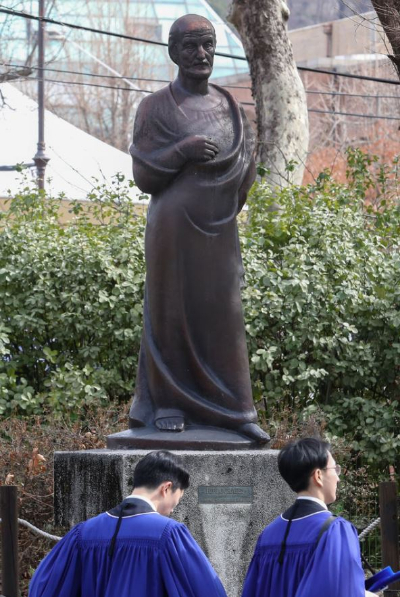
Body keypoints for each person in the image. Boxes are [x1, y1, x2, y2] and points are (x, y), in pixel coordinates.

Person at [128, 14, 269, 444]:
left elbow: (245, 171)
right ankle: (169, 403)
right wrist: (181, 150)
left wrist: (218, 204)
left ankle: (236, 410)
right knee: (171, 313)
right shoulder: (154, 107)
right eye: (189, 46)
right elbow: (144, 173)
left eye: (207, 44)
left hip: (219, 231)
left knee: (224, 315)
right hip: (171, 232)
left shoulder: (231, 108)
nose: (200, 54)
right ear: (173, 52)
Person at [29, 450, 227, 597]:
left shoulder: (84, 533)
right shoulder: (169, 534)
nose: (174, 508)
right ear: (166, 488)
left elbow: (43, 586)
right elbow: (207, 590)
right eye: (178, 497)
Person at [241, 438, 378, 597]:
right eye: (335, 468)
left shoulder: (268, 535)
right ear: (318, 475)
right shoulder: (335, 531)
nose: (338, 478)